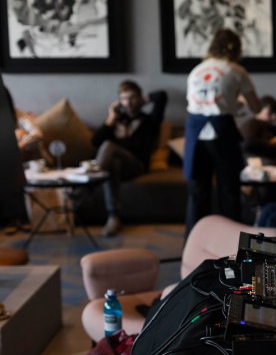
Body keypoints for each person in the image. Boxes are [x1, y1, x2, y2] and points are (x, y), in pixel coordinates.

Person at [184, 28, 261, 237]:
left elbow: (200, 103)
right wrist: (239, 102)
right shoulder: (236, 70)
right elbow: (256, 108)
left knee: (197, 192)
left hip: (195, 130)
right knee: (228, 190)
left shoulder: (197, 70)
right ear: (236, 49)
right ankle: (231, 242)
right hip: (221, 130)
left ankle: (193, 243)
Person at [92, 80, 167, 237]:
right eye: (123, 98)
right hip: (117, 166)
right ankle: (113, 217)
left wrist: (142, 101)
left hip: (137, 165)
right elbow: (95, 142)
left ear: (140, 98)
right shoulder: (116, 120)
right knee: (113, 163)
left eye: (132, 97)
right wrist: (111, 118)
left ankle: (89, 184)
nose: (128, 102)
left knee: (109, 145)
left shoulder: (150, 120)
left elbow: (161, 96)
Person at [238, 94, 276, 164]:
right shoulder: (250, 124)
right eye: (271, 112)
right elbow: (247, 144)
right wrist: (271, 142)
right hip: (258, 163)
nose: (274, 117)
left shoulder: (268, 127)